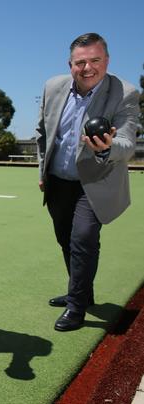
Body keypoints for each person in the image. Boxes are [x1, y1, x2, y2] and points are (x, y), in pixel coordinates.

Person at [36, 33, 138, 332]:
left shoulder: (124, 93)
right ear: (71, 65)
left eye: (95, 60)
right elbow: (43, 132)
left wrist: (106, 148)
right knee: (65, 238)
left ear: (107, 61)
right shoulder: (53, 87)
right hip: (58, 179)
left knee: (83, 238)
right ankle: (82, 291)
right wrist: (43, 171)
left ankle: (76, 306)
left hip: (96, 180)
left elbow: (127, 143)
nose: (88, 68)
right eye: (80, 62)